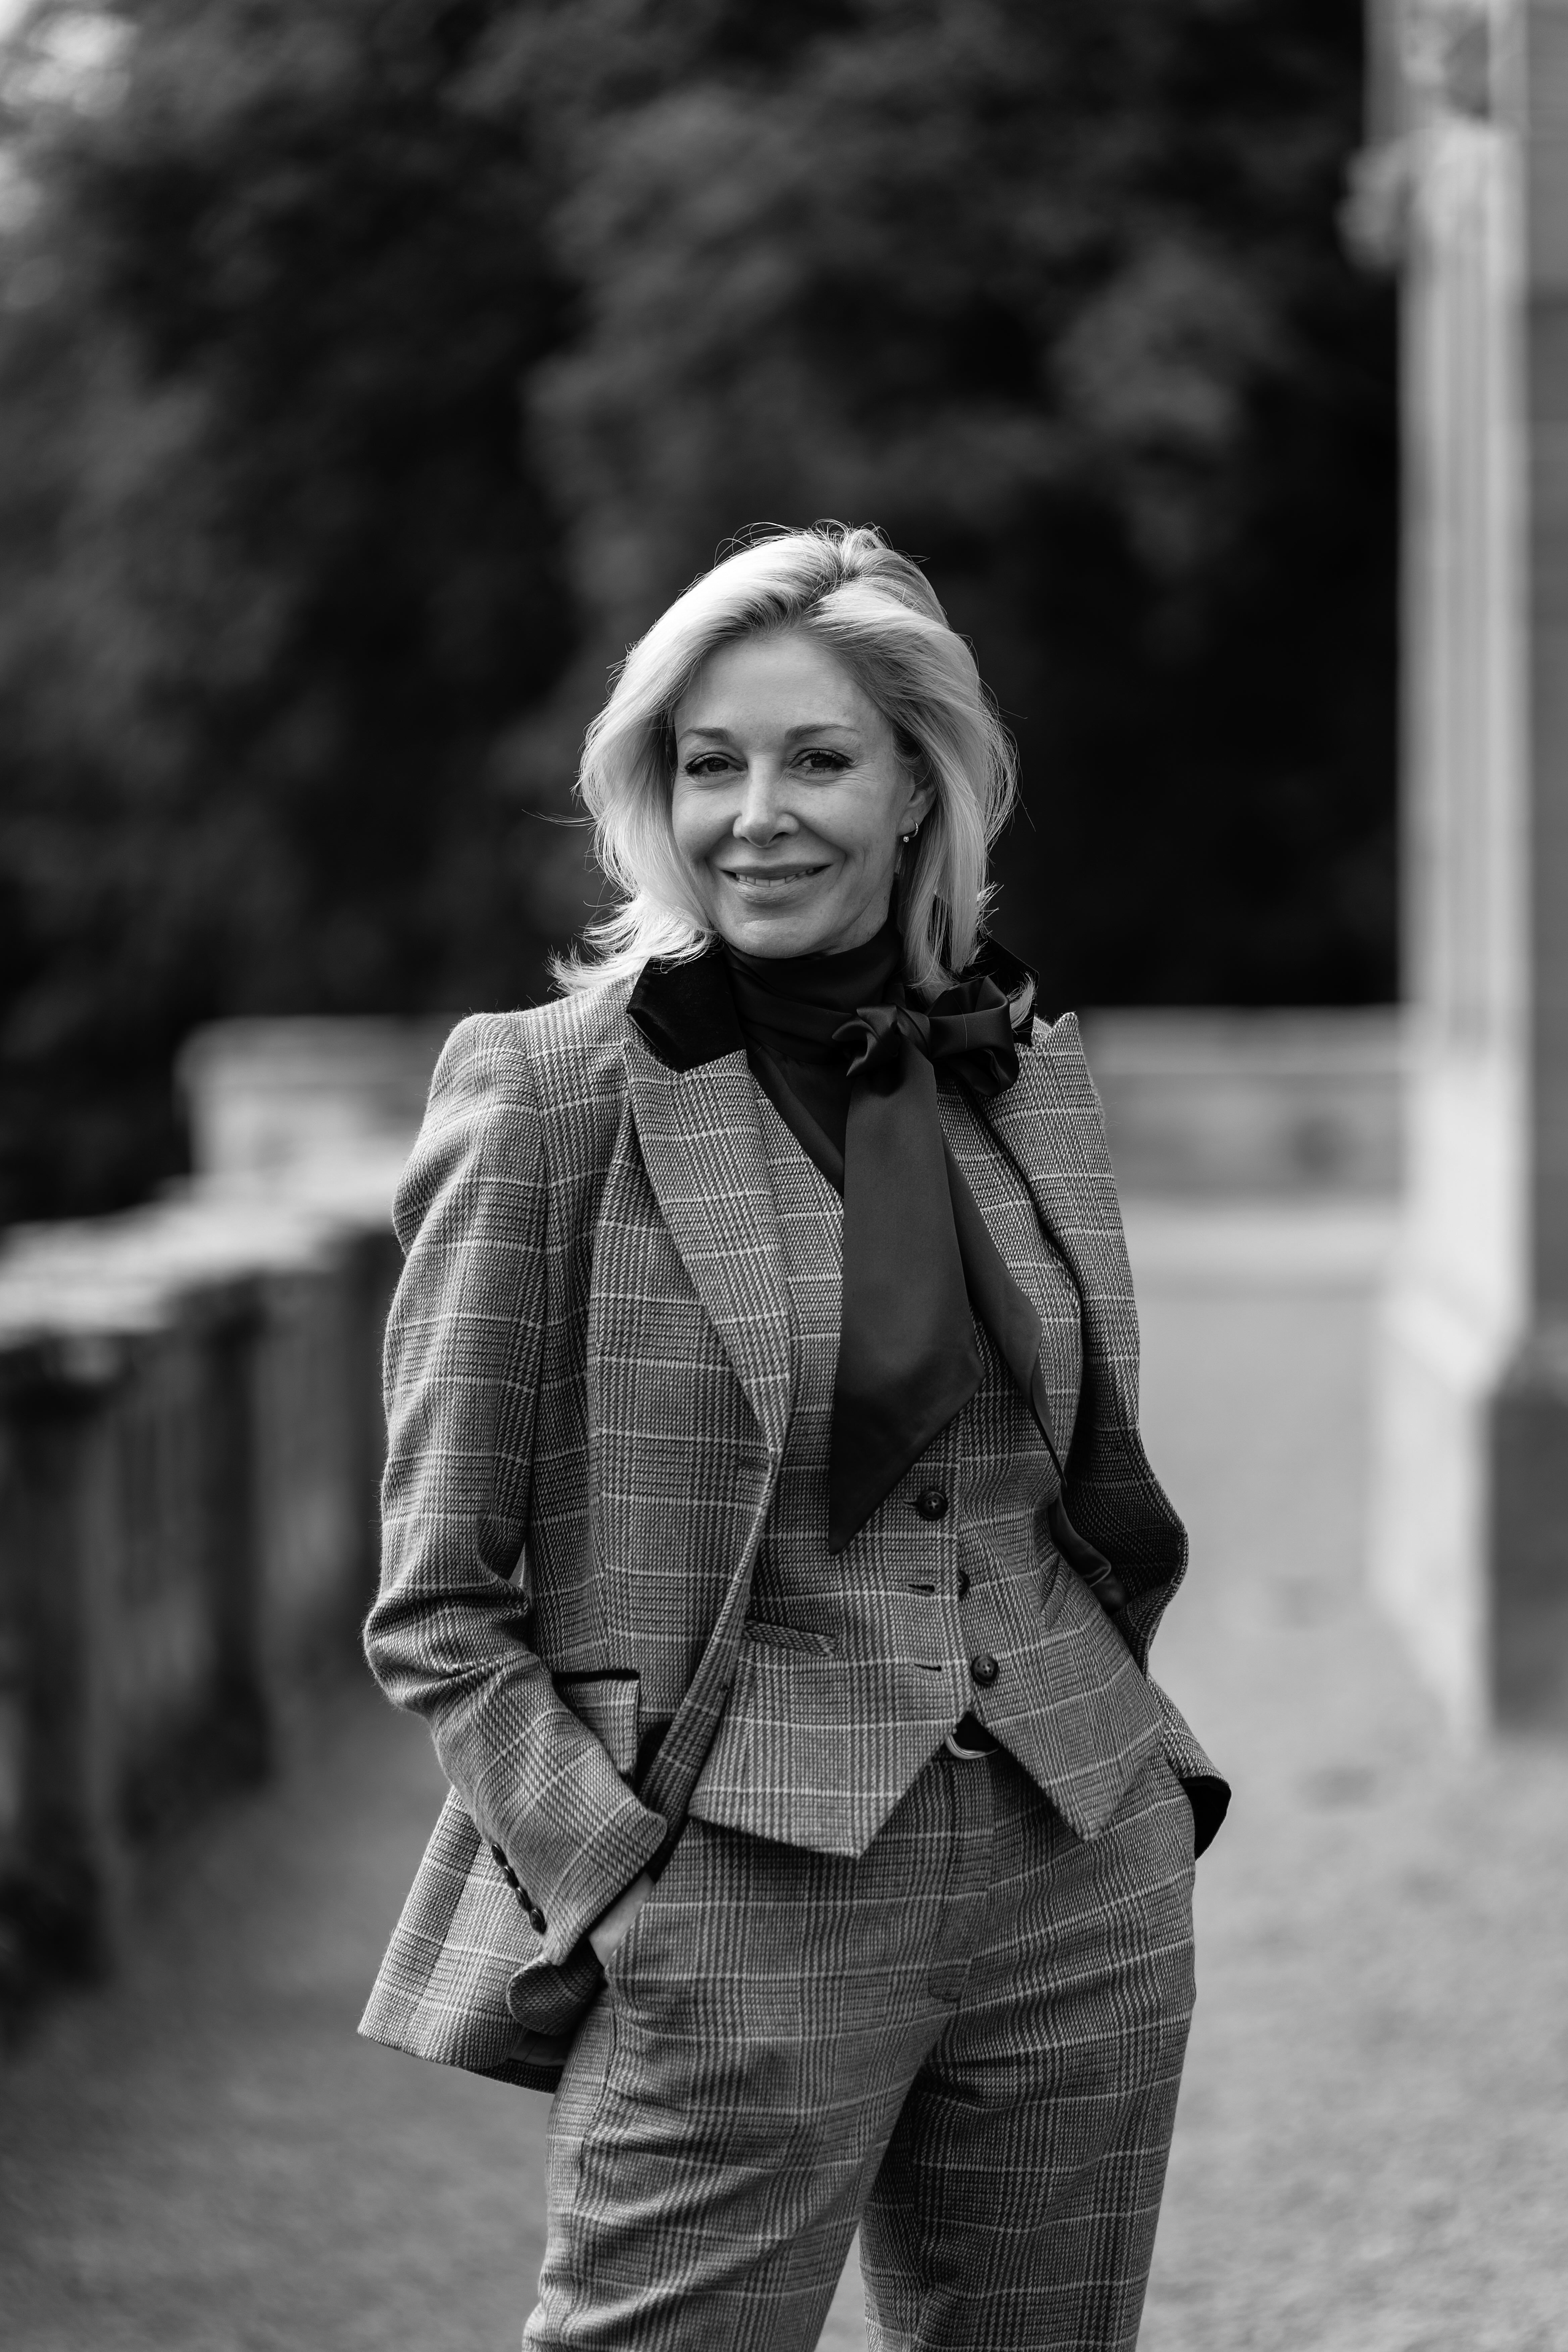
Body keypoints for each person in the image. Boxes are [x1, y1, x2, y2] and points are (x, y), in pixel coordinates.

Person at [360, 523, 1228, 2352]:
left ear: (918, 790)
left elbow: (1082, 1489)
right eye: (710, 764)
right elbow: (436, 1603)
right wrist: (620, 1883)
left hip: (1079, 1866)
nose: (755, 815)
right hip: (734, 1899)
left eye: (816, 759)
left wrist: (1135, 1776)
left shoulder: (1013, 1071)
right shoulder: (547, 1097)